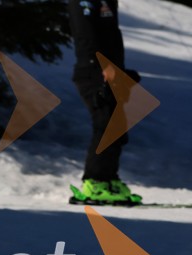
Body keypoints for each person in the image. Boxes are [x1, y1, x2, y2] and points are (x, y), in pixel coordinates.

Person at [68, 0, 142, 205]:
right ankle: (94, 182)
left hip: (113, 71)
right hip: (94, 71)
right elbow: (84, 33)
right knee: (105, 123)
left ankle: (109, 179)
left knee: (116, 126)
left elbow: (111, 36)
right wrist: (101, 64)